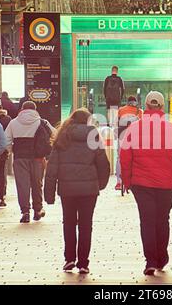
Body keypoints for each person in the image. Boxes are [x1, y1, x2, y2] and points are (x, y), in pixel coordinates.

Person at [120, 91, 172, 275]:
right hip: (165, 184)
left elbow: (124, 157)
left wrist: (127, 181)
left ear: (146, 107)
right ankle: (161, 257)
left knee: (147, 221)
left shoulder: (133, 129)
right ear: (162, 107)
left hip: (141, 184)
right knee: (162, 220)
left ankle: (150, 260)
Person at [44, 108, 110, 274]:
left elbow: (52, 168)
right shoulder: (93, 135)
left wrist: (49, 193)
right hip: (89, 190)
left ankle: (69, 259)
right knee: (86, 225)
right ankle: (83, 263)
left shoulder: (63, 136)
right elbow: (103, 163)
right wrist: (100, 184)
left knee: (69, 223)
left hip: (67, 189)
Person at [5, 101, 56, 223]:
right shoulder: (42, 122)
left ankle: (25, 212)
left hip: (20, 158)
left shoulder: (13, 122)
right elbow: (54, 134)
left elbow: (6, 140)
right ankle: (38, 210)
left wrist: (12, 150)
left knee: (23, 185)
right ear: (35, 109)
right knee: (37, 184)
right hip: (37, 158)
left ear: (22, 109)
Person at [115, 95, 143, 190]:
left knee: (119, 157)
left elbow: (117, 123)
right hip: (134, 136)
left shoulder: (121, 110)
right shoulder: (139, 111)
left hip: (122, 135)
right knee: (135, 157)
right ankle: (133, 179)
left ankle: (118, 182)